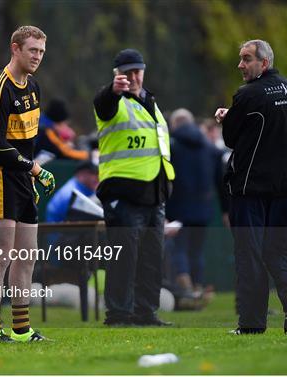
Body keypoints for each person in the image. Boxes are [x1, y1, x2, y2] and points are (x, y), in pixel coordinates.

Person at [214, 39, 287, 334]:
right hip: (283, 190)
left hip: (250, 190)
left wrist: (225, 118)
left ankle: (252, 324)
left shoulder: (248, 94)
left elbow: (231, 139)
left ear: (263, 63)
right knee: (280, 252)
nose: (240, 65)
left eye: (246, 59)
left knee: (249, 256)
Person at [0, 25, 55, 344]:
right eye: (32, 50)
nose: (37, 57)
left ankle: (21, 329)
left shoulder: (33, 86)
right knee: (1, 254)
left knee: (27, 255)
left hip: (22, 178)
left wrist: (29, 173)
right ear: (15, 49)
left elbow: (29, 141)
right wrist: (33, 168)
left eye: (41, 52)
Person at [93, 48, 175, 326]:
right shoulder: (113, 100)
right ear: (117, 76)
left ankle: (145, 312)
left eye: (137, 70)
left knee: (152, 258)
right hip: (123, 193)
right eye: (127, 72)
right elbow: (103, 103)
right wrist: (112, 90)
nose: (134, 76)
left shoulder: (149, 100)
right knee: (123, 258)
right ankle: (118, 314)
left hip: (154, 191)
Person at [165, 108, 226, 307]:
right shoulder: (210, 148)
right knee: (197, 252)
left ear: (174, 124)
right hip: (203, 208)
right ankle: (198, 288)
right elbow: (221, 182)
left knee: (179, 249)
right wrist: (226, 210)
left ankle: (186, 292)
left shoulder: (171, 145)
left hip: (178, 208)